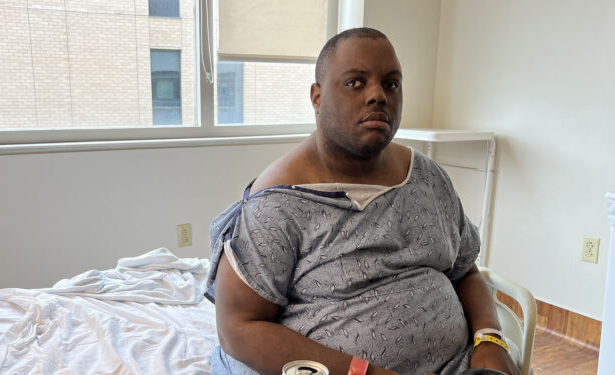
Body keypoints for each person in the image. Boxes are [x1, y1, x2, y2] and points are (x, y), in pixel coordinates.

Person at [204, 27, 520, 375]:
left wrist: (490, 340)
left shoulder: (428, 178)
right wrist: (362, 372)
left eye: (391, 83)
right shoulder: (277, 204)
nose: (378, 96)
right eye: (355, 82)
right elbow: (238, 329)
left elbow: (465, 271)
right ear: (317, 96)